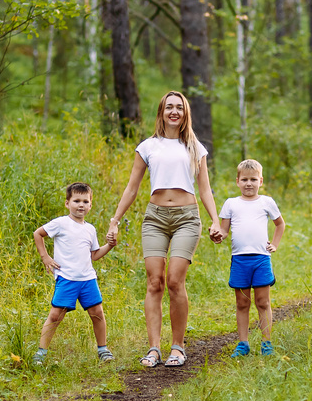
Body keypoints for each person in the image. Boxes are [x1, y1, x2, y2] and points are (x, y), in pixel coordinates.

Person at [106, 91, 221, 367]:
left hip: (186, 218)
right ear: (161, 111)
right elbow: (132, 187)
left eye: (179, 108)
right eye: (169, 107)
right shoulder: (148, 146)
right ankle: (154, 349)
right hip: (155, 218)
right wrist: (115, 219)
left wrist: (215, 220)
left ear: (185, 113)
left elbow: (204, 188)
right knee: (154, 281)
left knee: (174, 281)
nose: (174, 112)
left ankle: (178, 347)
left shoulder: (195, 147)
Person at [32, 182, 117, 365]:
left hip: (88, 279)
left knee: (97, 313)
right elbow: (38, 234)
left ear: (90, 205)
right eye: (76, 200)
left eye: (85, 201)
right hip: (67, 278)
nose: (81, 205)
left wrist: (109, 245)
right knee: (56, 315)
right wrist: (45, 257)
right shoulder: (61, 223)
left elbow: (94, 255)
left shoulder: (90, 229)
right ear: (67, 203)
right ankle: (41, 352)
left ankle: (103, 350)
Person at [212, 159, 286, 357]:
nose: (249, 183)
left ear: (261, 181)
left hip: (261, 259)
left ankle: (266, 342)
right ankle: (243, 344)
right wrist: (218, 235)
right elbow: (225, 231)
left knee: (263, 302)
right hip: (240, 260)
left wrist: (275, 244)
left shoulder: (266, 202)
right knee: (242, 303)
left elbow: (280, 224)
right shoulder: (231, 204)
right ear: (237, 181)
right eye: (244, 179)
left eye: (253, 179)